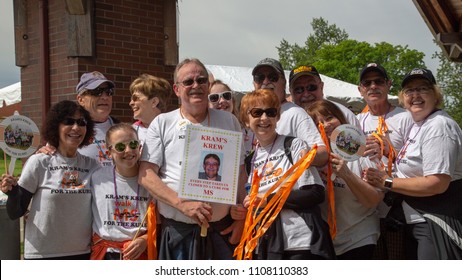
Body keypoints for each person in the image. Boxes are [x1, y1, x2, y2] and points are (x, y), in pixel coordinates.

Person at [138, 58, 247, 260]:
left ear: (208, 85)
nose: (195, 86)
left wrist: (242, 216)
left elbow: (239, 172)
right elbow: (146, 175)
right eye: (188, 82)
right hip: (180, 233)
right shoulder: (162, 123)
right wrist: (182, 204)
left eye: (201, 80)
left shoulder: (229, 121)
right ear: (177, 89)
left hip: (221, 231)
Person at [364, 68, 462, 260]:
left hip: (437, 222)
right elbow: (416, 165)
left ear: (436, 95)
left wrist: (387, 181)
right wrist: (388, 151)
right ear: (402, 97)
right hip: (417, 220)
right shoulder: (420, 124)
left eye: (423, 89)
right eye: (409, 90)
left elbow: (437, 183)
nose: (415, 95)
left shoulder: (438, 126)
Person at [239, 89, 334, 260]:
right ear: (246, 120)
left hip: (302, 242)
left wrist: (268, 200)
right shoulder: (250, 160)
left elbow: (315, 193)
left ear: (277, 117)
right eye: (256, 112)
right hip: (268, 244)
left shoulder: (294, 145)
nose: (264, 118)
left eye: (270, 112)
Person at [0, 100, 99, 259]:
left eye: (81, 122)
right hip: (43, 254)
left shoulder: (92, 166)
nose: (76, 127)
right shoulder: (39, 162)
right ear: (56, 126)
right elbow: (15, 212)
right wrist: (12, 192)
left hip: (82, 253)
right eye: (69, 121)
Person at [307, 99, 384, 259]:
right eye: (318, 123)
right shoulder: (312, 158)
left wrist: (346, 174)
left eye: (329, 118)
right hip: (326, 241)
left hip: (360, 236)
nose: (326, 125)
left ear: (341, 118)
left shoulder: (361, 150)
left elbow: (373, 200)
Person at [356, 63, 413, 259]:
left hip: (397, 201)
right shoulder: (355, 121)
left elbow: (417, 159)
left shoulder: (405, 117)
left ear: (388, 85)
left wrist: (391, 151)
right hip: (367, 204)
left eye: (378, 81)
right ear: (360, 89)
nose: (373, 86)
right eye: (367, 82)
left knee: (399, 260)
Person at [90, 123, 153, 260]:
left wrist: (146, 240)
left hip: (139, 253)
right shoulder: (96, 177)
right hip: (105, 253)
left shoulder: (152, 180)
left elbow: (162, 220)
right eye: (120, 147)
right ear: (109, 152)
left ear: (140, 147)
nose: (128, 150)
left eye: (133, 144)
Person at [252, 58, 328, 167]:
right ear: (254, 83)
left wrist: (308, 156)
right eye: (260, 78)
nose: (265, 82)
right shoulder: (253, 117)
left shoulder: (295, 113)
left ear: (283, 83)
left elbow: (323, 152)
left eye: (273, 77)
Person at [289, 65, 360, 127]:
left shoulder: (343, 113)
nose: (306, 94)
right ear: (291, 92)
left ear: (321, 87)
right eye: (298, 89)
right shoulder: (285, 120)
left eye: (311, 87)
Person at [76, 71, 119, 167]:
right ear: (81, 99)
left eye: (108, 92)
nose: (104, 97)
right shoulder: (70, 130)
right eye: (96, 92)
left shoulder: (122, 129)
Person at [209, 79, 256, 157]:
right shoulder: (201, 133)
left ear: (232, 101)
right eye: (214, 97)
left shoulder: (250, 133)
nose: (222, 100)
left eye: (226, 96)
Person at [129, 74, 171, 143]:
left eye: (135, 98)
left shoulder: (174, 128)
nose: (131, 103)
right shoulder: (130, 132)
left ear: (154, 102)